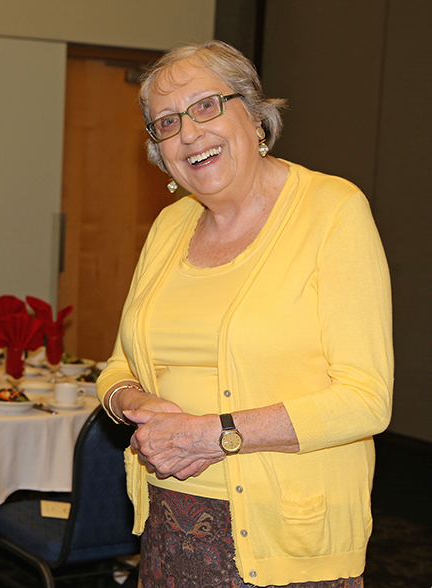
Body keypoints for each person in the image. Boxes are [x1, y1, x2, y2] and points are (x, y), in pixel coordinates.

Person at [97, 40, 392, 587]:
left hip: (286, 539)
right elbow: (118, 368)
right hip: (168, 526)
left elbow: (366, 400)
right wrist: (134, 404)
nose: (188, 132)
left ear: (255, 117)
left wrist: (214, 434)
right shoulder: (169, 227)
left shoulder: (333, 211)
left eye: (206, 105)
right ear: (161, 153)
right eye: (166, 122)